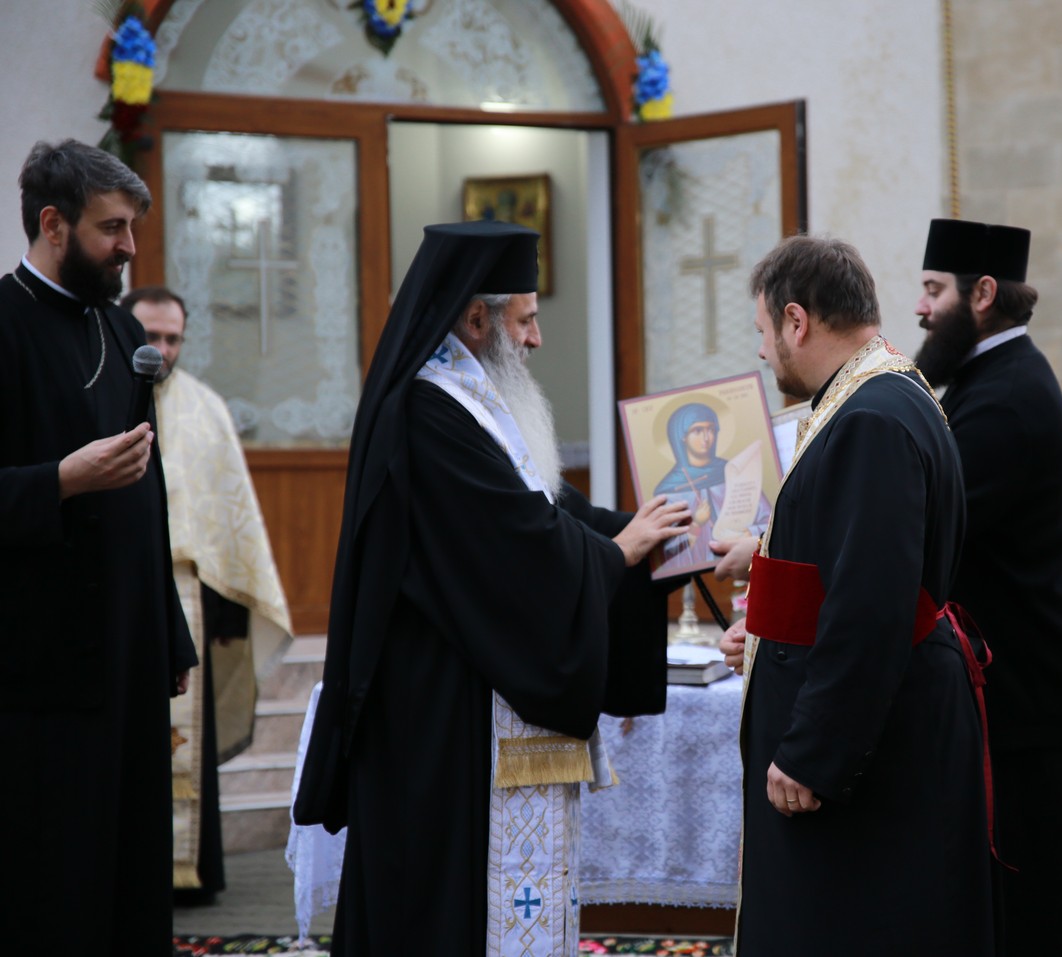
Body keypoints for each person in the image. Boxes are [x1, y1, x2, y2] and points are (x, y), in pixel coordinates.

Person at [293, 220, 690, 956]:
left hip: (465, 705)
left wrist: (660, 539)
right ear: (477, 318)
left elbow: (549, 511)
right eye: (527, 318)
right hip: (435, 721)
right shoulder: (426, 411)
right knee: (443, 910)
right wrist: (616, 554)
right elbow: (518, 548)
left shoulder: (474, 402)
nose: (537, 339)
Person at [718, 235, 993, 954]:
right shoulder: (878, 394)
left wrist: (813, 751)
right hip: (892, 717)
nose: (761, 351)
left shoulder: (870, 417)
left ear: (796, 321)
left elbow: (870, 604)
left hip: (875, 744)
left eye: (762, 331)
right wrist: (765, 612)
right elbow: (842, 565)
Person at [912, 218, 1062, 956]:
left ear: (981, 293)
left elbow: (929, 525)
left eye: (932, 290)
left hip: (1028, 678)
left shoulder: (1001, 397)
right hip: (1022, 672)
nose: (920, 308)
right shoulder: (988, 379)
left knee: (1048, 891)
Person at [0, 139, 196, 954]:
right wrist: (59, 480)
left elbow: (145, 498)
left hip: (127, 653)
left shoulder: (119, 328)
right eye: (111, 228)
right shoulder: (3, 325)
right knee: (58, 875)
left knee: (131, 869)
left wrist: (169, 629)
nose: (129, 248)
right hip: (41, 665)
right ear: (53, 223)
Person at [121, 285, 294, 906]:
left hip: (187, 598)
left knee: (179, 739)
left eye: (172, 338)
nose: (161, 348)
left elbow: (230, 521)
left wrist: (227, 615)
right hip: (113, 596)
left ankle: (187, 872)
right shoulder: (96, 396)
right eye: (150, 334)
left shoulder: (203, 408)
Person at [653, 402, 770, 576]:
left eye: (711, 430)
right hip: (695, 579)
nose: (706, 438)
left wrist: (749, 534)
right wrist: (696, 524)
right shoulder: (669, 490)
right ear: (682, 436)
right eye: (697, 431)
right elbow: (666, 552)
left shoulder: (734, 472)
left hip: (749, 569)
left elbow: (769, 521)